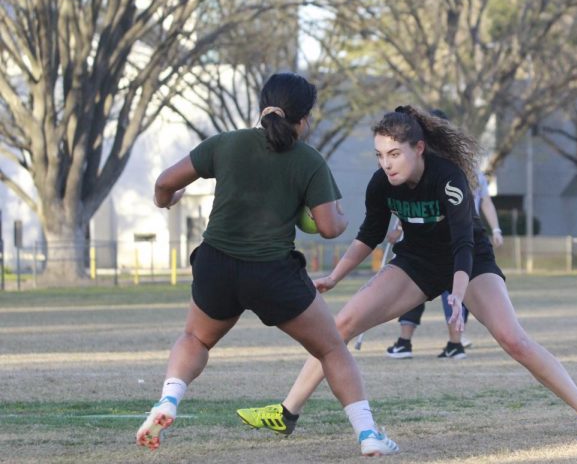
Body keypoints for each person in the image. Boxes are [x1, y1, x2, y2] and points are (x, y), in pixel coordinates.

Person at [235, 106, 577, 436]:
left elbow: (464, 242)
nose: (386, 163)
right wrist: (336, 276)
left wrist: (459, 295)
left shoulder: (449, 178)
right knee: (341, 325)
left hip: (470, 262)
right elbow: (369, 235)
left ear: (418, 149)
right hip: (416, 262)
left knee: (514, 340)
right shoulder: (381, 183)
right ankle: (287, 413)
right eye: (381, 154)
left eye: (395, 153)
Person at [135, 73, 399, 456]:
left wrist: (169, 199)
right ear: (304, 118)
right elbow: (328, 228)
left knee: (195, 338)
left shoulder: (226, 143)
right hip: (272, 274)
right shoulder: (308, 160)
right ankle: (368, 435)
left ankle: (167, 402)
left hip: (217, 265)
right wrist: (339, 217)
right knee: (331, 350)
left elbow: (163, 183)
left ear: (264, 105)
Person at [385, 110, 505, 360]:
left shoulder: (460, 172)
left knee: (455, 293)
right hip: (425, 245)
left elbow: (485, 203)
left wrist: (495, 229)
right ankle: (407, 341)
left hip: (457, 242)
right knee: (414, 288)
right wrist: (397, 226)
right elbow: (410, 203)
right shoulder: (415, 169)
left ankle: (454, 342)